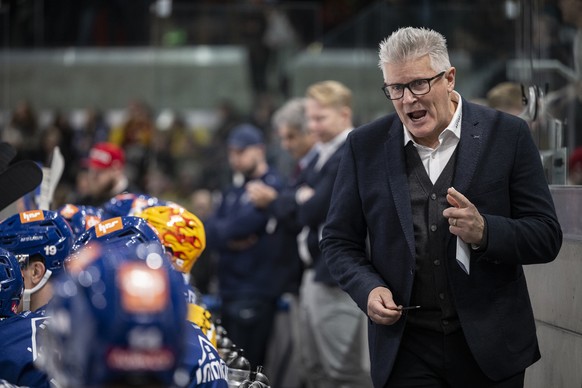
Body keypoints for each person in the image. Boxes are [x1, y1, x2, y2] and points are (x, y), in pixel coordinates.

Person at [320, 27, 563, 388]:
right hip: (406, 348)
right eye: (395, 89)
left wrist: (485, 232)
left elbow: (546, 236)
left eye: (419, 84)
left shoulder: (507, 135)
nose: (407, 100)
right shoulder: (364, 146)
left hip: (492, 347)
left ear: (449, 78)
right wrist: (367, 289)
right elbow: (338, 242)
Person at [282, 81, 372, 388]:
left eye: (320, 118)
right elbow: (290, 201)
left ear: (344, 114)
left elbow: (312, 210)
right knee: (315, 370)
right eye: (310, 118)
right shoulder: (322, 154)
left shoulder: (351, 151)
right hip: (314, 274)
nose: (312, 126)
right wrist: (300, 199)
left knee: (342, 373)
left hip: (336, 278)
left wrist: (302, 201)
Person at [246, 97, 317, 387]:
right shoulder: (301, 168)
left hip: (315, 274)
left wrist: (276, 201)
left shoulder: (320, 167)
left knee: (324, 367)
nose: (286, 144)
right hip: (294, 279)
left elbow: (301, 214)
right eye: (282, 138)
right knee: (307, 364)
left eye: (291, 136)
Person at [204, 123, 286, 370]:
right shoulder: (234, 190)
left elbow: (237, 228)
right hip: (229, 289)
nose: (234, 158)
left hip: (255, 289)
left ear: (259, 150)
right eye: (231, 152)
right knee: (228, 368)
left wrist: (227, 233)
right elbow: (211, 232)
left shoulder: (270, 186)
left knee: (248, 369)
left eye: (240, 152)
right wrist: (229, 236)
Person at [78, 142, 140, 206]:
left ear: (116, 170)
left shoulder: (135, 202)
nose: (92, 177)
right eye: (91, 170)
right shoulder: (85, 201)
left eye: (99, 172)